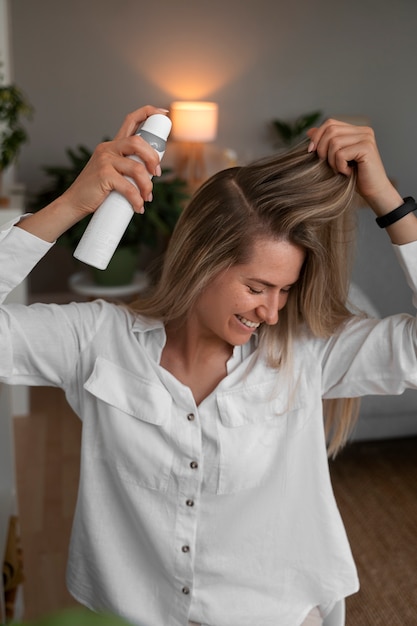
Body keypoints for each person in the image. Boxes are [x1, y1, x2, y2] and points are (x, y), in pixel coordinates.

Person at [1, 104, 416, 626]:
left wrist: (389, 204)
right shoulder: (98, 342)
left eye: (285, 290)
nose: (272, 310)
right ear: (201, 262)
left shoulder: (305, 354)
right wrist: (69, 206)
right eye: (256, 287)